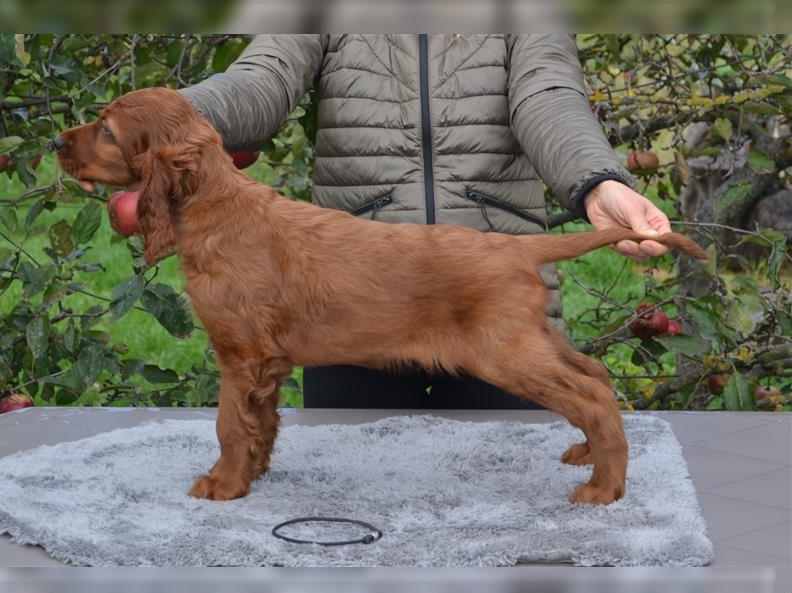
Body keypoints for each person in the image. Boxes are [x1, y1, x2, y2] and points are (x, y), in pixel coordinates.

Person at [177, 34, 672, 410]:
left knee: (514, 506)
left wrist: (598, 183)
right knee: (350, 510)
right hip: (349, 294)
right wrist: (167, 119)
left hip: (487, 289)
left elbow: (547, 94)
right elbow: (264, 78)